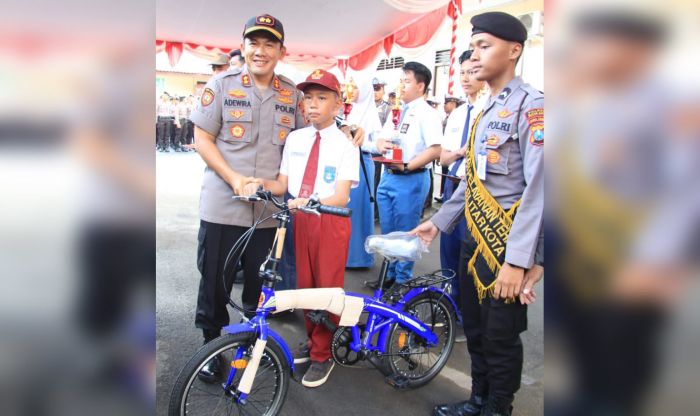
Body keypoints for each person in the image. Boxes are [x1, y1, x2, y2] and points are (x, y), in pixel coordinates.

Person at [412, 12, 544, 416]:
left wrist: (520, 262)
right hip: (474, 242)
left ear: (514, 50)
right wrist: (439, 220)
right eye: (474, 46)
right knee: (476, 330)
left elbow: (542, 191)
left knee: (501, 338)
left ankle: (498, 408)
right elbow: (474, 181)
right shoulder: (487, 109)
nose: (475, 53)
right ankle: (478, 401)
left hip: (506, 250)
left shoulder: (533, 107)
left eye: (485, 45)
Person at [188, 14, 307, 383]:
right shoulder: (221, 85)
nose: (261, 50)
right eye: (254, 43)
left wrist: (350, 130)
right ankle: (210, 347)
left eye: (269, 43)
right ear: (243, 47)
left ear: (281, 51)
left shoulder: (294, 95)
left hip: (269, 213)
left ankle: (247, 344)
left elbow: (307, 141)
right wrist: (234, 177)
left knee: (260, 285)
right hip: (223, 205)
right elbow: (202, 138)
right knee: (214, 283)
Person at [260, 69, 359, 388]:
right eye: (309, 98)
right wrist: (258, 184)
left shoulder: (346, 143)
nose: (313, 104)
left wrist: (309, 202)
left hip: (329, 220)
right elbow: (283, 184)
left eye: (322, 98)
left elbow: (342, 195)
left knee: (327, 287)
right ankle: (315, 339)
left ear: (337, 104)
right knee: (303, 284)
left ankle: (323, 353)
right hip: (299, 219)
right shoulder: (295, 139)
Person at [370, 62, 442, 289]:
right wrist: (381, 144)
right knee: (389, 231)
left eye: (407, 81)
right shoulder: (397, 111)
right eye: (401, 81)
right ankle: (389, 275)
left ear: (421, 86)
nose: (401, 86)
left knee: (407, 232)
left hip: (411, 177)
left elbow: (435, 149)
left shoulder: (427, 114)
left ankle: (403, 281)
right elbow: (382, 139)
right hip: (389, 175)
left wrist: (409, 166)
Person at [438, 50, 487, 318]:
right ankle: (451, 308)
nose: (466, 78)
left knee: (471, 256)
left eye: (473, 71)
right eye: (463, 73)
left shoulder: (490, 109)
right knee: (449, 251)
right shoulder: (457, 115)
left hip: (478, 192)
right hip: (452, 185)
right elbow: (444, 157)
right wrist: (461, 151)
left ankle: (469, 315)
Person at [345, 77, 385, 268]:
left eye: (355, 87)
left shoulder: (370, 114)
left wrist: (359, 143)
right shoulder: (344, 109)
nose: (350, 91)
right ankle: (343, 255)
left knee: (359, 210)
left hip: (361, 164)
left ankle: (359, 257)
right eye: (348, 87)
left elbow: (378, 145)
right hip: (343, 163)